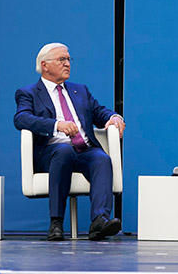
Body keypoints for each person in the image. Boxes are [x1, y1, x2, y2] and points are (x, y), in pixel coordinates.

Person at [14, 43, 125, 241]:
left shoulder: (79, 90)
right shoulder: (28, 93)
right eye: (61, 59)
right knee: (64, 150)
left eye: (68, 59)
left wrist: (115, 117)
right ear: (45, 65)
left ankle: (99, 221)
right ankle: (56, 222)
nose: (67, 64)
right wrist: (57, 125)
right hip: (51, 152)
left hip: (84, 150)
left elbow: (99, 112)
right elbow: (21, 119)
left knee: (101, 158)